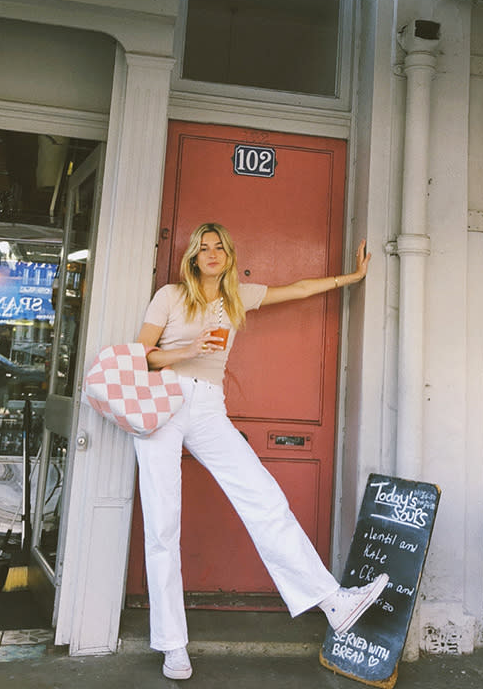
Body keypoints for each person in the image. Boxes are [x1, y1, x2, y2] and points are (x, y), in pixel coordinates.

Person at [135, 222, 389, 680]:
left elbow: (298, 289)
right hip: (163, 401)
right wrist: (187, 348)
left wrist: (349, 279)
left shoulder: (238, 297)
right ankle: (173, 645)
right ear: (193, 256)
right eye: (203, 248)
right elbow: (142, 354)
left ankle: (333, 602)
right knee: (162, 524)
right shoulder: (171, 296)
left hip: (209, 405)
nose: (211, 254)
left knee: (265, 498)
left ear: (229, 257)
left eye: (219, 248)